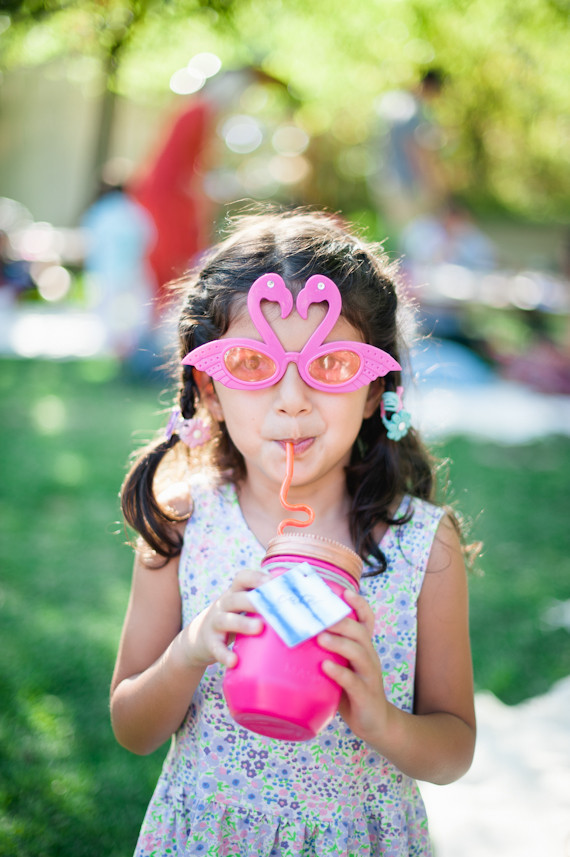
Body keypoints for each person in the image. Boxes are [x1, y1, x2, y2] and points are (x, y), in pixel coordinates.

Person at [111, 210, 476, 856]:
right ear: (210, 388)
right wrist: (192, 646)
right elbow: (132, 727)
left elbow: (453, 752)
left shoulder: (422, 544)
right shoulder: (184, 526)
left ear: (374, 388)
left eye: (330, 365)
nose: (291, 398)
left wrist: (381, 719)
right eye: (252, 362)